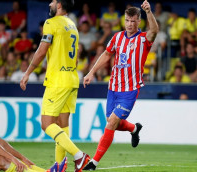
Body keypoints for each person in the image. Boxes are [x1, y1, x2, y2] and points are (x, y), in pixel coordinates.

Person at [82, 1, 158, 170]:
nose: (130, 24)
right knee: (111, 121)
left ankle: (93, 162)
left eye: (133, 21)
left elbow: (154, 31)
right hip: (114, 87)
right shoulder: (117, 37)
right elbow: (107, 54)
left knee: (111, 123)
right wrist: (91, 72)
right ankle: (134, 128)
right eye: (127, 20)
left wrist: (148, 12)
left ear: (139, 21)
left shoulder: (143, 39)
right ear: (124, 20)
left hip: (130, 90)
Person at [20, 0, 90, 171]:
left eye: (52, 1)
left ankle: (79, 156)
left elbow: (42, 50)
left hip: (58, 80)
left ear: (59, 5)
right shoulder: (72, 25)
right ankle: (59, 165)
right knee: (62, 124)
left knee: (46, 123)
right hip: (72, 78)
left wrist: (28, 72)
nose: (49, 3)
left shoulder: (51, 23)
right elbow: (76, 57)